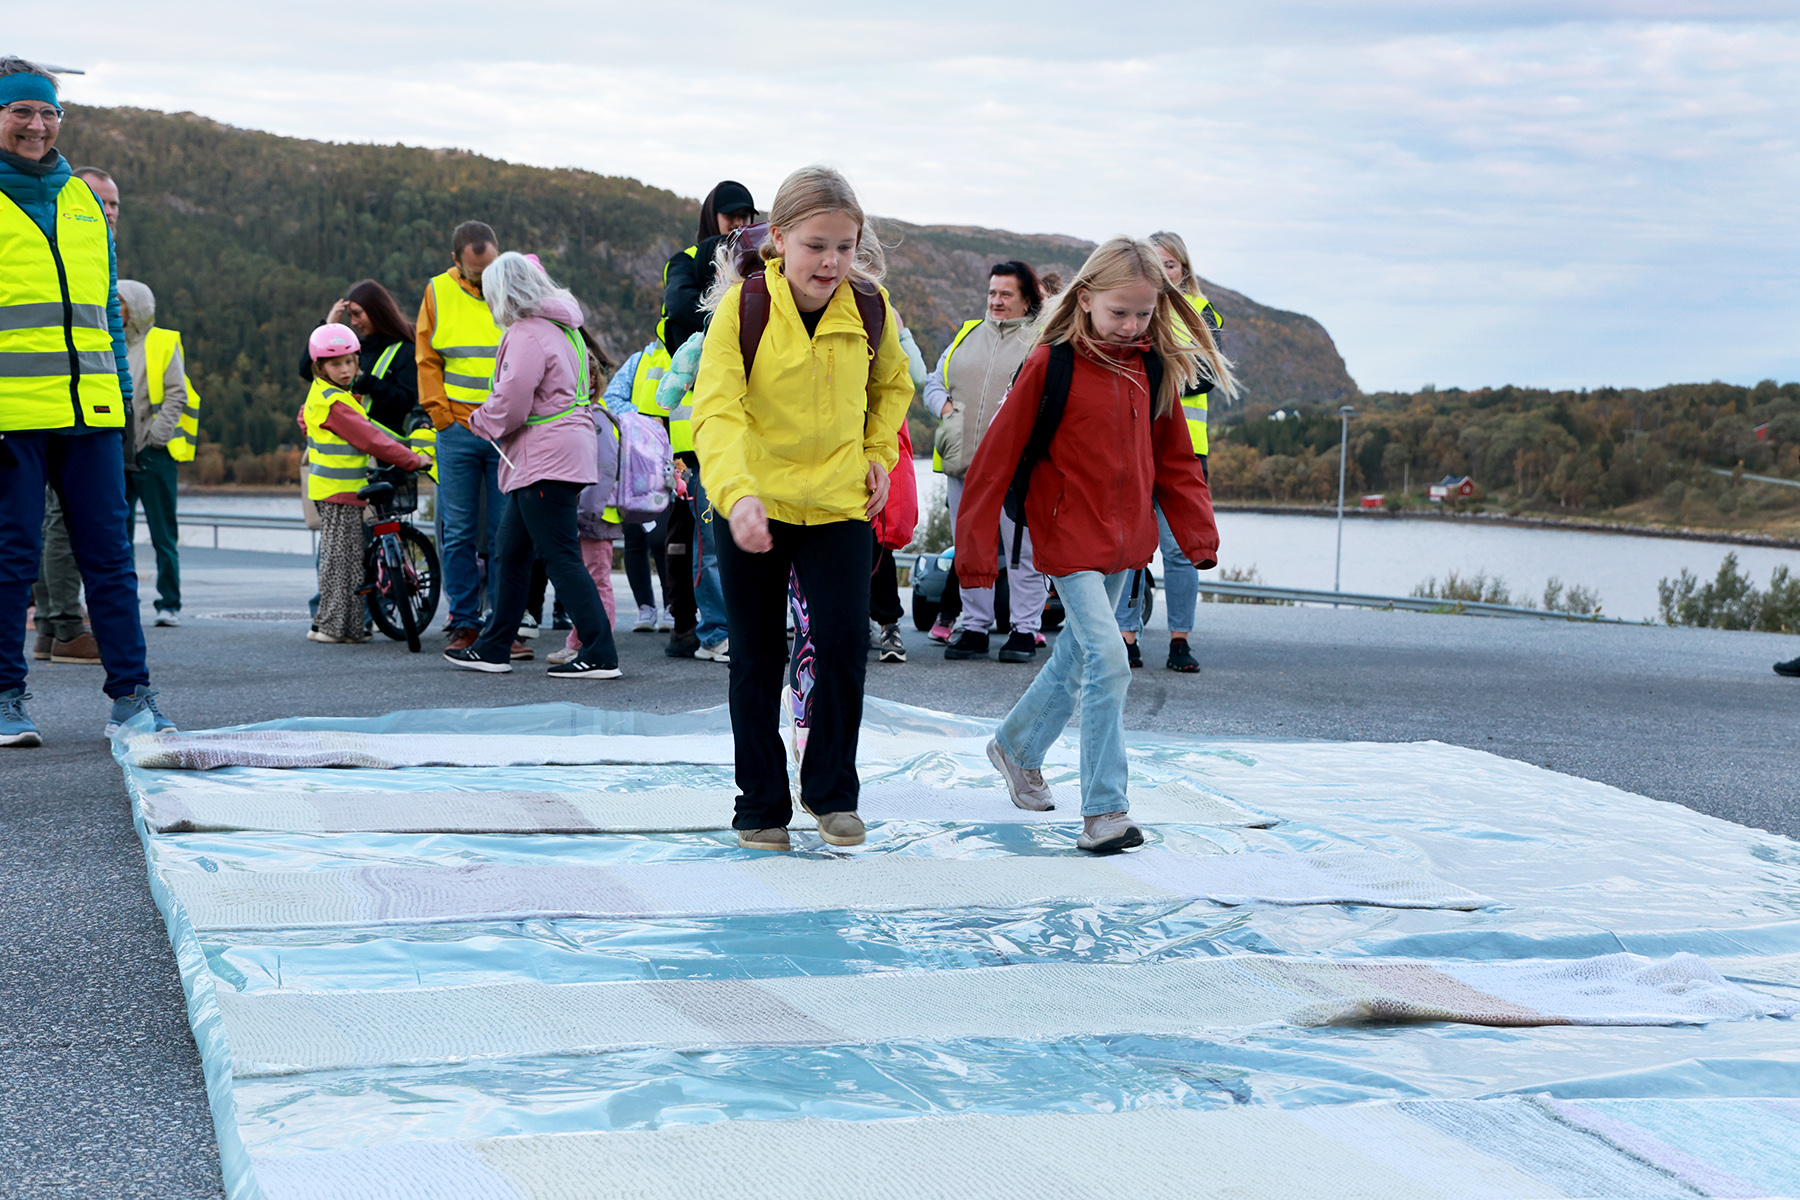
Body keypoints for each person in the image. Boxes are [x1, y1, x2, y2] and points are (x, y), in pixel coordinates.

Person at [956, 236, 1233, 853]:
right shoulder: (1048, 364)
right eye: (1119, 313)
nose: (1131, 325)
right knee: (1108, 659)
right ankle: (1105, 811)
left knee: (1079, 656)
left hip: (1125, 544)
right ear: (1085, 300)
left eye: (1143, 313)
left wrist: (1196, 535)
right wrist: (976, 558)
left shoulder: (1152, 367)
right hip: (1066, 538)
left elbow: (1176, 461)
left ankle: (1015, 746)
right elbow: (993, 462)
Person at [692, 166, 912, 851]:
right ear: (780, 239)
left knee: (845, 643)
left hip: (840, 501)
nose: (832, 261)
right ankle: (760, 806)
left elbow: (892, 389)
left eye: (845, 246)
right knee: (757, 655)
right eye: (817, 245)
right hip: (754, 500)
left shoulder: (872, 308)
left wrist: (879, 453)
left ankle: (830, 792)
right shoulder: (744, 308)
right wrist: (738, 494)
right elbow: (717, 410)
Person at [1, 58, 174, 745]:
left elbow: (106, 312)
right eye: (21, 111)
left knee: (110, 557)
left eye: (48, 113)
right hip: (13, 415)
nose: (37, 125)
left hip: (96, 417)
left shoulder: (80, 200)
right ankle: (7, 698)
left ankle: (132, 698)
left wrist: (124, 406)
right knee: (12, 558)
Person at [442, 253, 620, 679]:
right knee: (512, 552)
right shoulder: (566, 329)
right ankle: (494, 645)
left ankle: (599, 651)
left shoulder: (525, 334)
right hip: (566, 451)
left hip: (543, 457)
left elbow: (513, 401)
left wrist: (480, 420)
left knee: (558, 556)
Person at [1114, 230, 1226, 672]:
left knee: (1179, 550)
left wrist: (1155, 371)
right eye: (1155, 263)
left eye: (1171, 264)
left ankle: (1180, 639)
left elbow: (1205, 376)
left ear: (1184, 269)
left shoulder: (1202, 313)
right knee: (1131, 545)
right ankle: (1126, 636)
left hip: (1186, 450)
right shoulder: (1131, 309)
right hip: (1133, 443)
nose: (1163, 271)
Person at [925, 261, 1047, 662]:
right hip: (964, 469)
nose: (996, 300)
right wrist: (946, 411)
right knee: (970, 550)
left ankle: (1024, 631)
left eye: (1006, 294)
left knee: (1022, 553)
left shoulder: (1039, 343)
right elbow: (934, 380)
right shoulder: (967, 335)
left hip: (1016, 473)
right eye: (992, 293)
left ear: (1026, 299)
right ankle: (974, 628)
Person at [417, 220, 528, 661]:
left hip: (504, 431)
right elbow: (425, 357)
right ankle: (464, 622)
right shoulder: (437, 293)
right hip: (458, 430)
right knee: (459, 531)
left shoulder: (512, 286)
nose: (486, 281)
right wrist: (441, 417)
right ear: (456, 263)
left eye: (491, 269)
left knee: (506, 535)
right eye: (476, 273)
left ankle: (504, 628)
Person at [659, 181, 757, 663]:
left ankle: (745, 626)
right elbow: (677, 309)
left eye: (747, 216)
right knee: (709, 540)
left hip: (759, 422)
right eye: (730, 216)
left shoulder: (766, 257)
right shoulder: (687, 261)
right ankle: (716, 631)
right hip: (700, 429)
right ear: (712, 217)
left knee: (756, 532)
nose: (739, 225)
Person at [32, 164, 123, 666]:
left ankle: (51, 626)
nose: (107, 212)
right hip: (47, 406)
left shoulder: (95, 252)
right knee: (61, 524)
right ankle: (66, 625)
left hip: (90, 403)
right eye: (101, 202)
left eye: (114, 205)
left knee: (54, 522)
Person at [300, 324, 433, 643]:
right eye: (335, 364)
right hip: (339, 492)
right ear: (320, 367)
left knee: (341, 560)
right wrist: (413, 460)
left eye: (349, 361)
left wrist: (405, 443)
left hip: (337, 492)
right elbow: (371, 438)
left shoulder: (333, 394)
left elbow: (372, 427)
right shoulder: (335, 401)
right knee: (343, 564)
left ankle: (336, 626)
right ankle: (334, 628)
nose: (345, 369)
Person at [118, 279, 194, 628]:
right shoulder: (108, 343)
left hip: (153, 453)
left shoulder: (162, 341)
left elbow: (178, 394)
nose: (113, 310)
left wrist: (156, 439)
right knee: (120, 532)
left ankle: (169, 603)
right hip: (117, 453)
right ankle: (124, 598)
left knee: (163, 533)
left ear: (135, 307)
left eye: (119, 303)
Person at [608, 340, 673, 633]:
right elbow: (612, 399)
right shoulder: (639, 360)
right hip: (636, 460)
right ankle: (645, 608)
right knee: (635, 536)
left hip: (674, 459)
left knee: (664, 538)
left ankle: (672, 605)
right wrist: (645, 419)